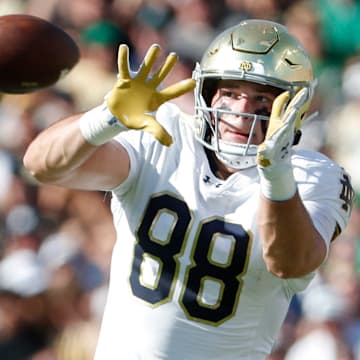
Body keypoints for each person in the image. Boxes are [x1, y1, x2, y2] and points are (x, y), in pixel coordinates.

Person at [23, 19, 354, 360]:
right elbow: (42, 165)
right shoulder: (164, 135)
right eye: (230, 93)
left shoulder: (312, 175)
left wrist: (276, 174)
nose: (241, 112)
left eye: (261, 98)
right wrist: (106, 117)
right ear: (207, 92)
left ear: (294, 109)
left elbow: (291, 262)